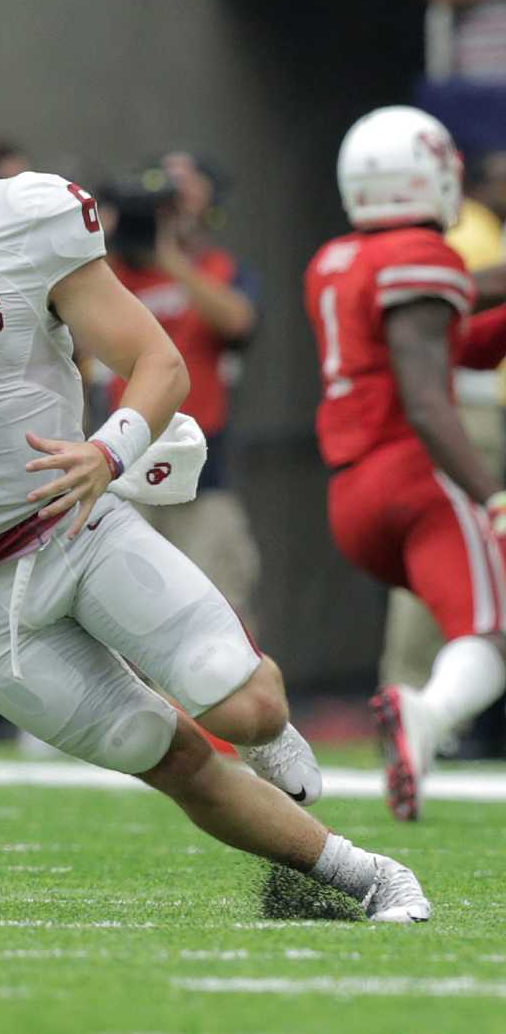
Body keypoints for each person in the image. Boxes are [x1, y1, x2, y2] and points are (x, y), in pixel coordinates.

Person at [0, 31, 430, 922]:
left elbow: (158, 361)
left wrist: (109, 451)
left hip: (69, 523)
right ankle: (367, 876)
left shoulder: (27, 218)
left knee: (244, 703)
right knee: (165, 754)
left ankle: (276, 740)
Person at [306, 107, 506, 823]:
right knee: (492, 630)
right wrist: (492, 496)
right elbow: (427, 398)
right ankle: (427, 715)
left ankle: (421, 726)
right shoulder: (419, 252)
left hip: (352, 497)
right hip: (414, 478)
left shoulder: (336, 261)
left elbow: (459, 342)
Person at [99, 158, 262, 625]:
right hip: (127, 462)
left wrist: (169, 257)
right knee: (137, 611)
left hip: (203, 468)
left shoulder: (216, 268)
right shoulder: (107, 276)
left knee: (220, 602)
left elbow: (239, 321)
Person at [379, 147, 506, 734]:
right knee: (446, 557)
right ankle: (415, 698)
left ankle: (426, 704)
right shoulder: (466, 234)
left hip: (467, 408)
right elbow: (461, 312)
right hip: (462, 412)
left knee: (460, 563)